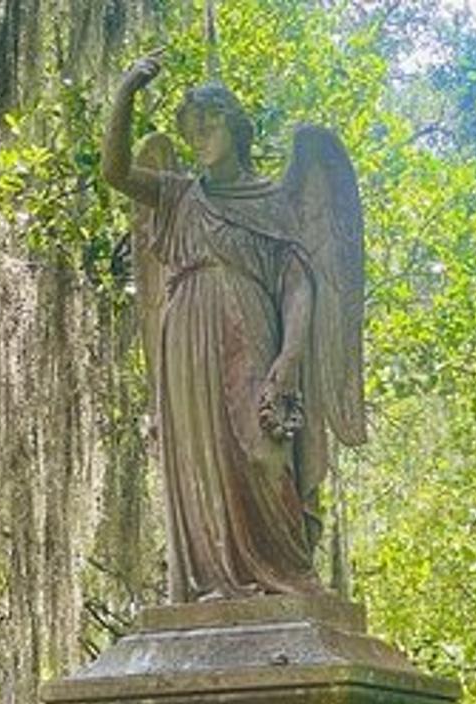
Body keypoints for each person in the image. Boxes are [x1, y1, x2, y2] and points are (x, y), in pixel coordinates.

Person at [100, 53, 364, 602]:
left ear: (236, 127)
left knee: (262, 452)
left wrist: (290, 358)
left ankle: (283, 574)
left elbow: (298, 285)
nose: (199, 137)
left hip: (249, 330)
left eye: (209, 123)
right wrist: (126, 91)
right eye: (190, 129)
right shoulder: (177, 193)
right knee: (203, 461)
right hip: (187, 333)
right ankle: (215, 580)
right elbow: (116, 172)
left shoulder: (274, 199)